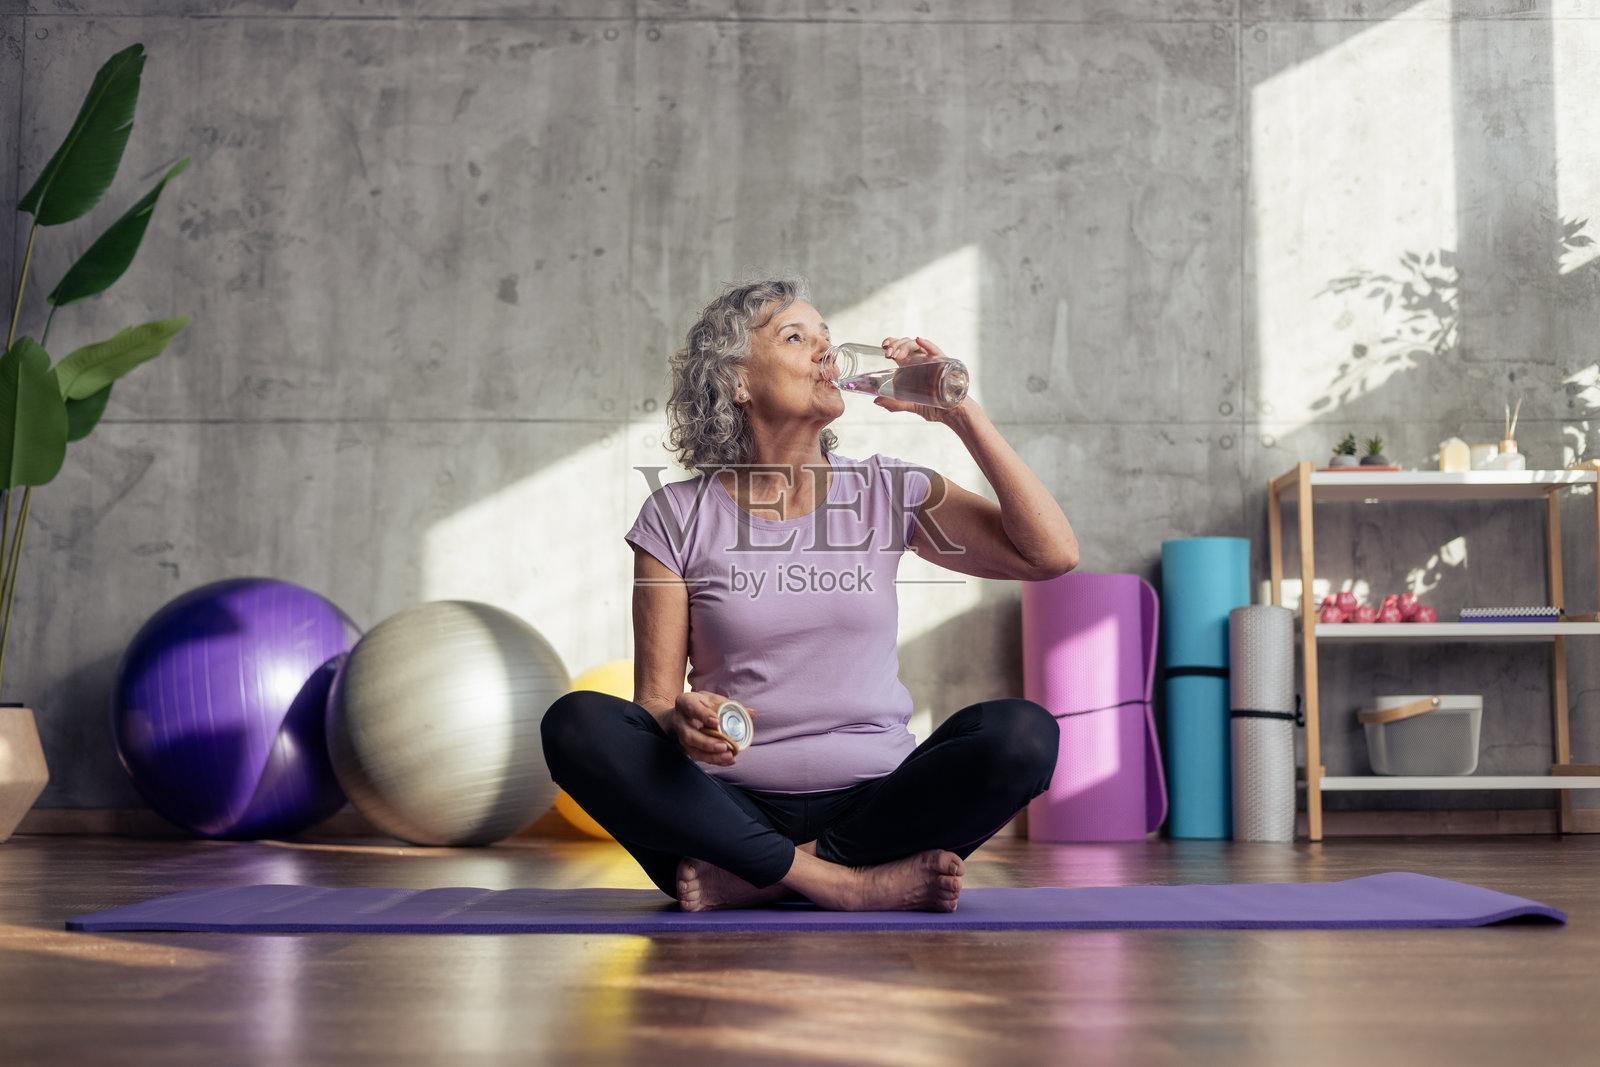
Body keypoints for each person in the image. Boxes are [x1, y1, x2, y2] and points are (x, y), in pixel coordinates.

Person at [542, 278, 1078, 912]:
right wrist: (681, 720)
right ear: (737, 381)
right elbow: (655, 703)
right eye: (797, 338)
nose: (827, 352)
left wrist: (959, 411)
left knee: (1023, 734)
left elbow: (1050, 556)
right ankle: (846, 885)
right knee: (577, 723)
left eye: (828, 339)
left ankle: (774, 877)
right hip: (722, 814)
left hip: (878, 806)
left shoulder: (890, 491)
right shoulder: (675, 514)